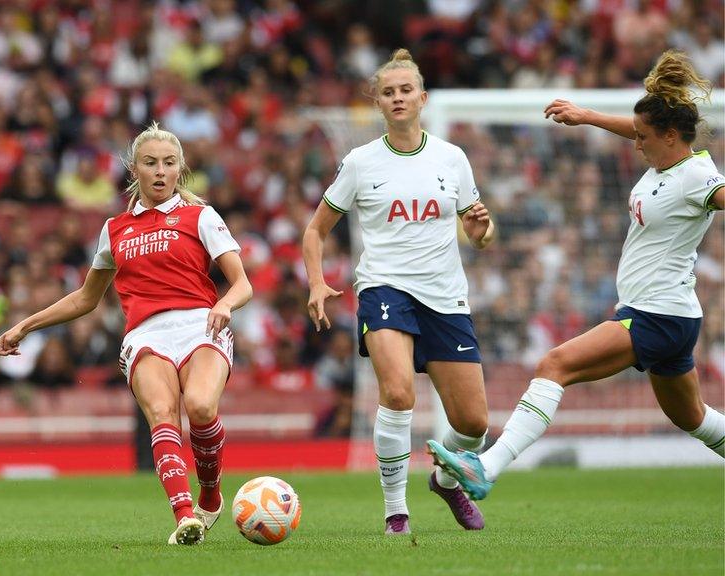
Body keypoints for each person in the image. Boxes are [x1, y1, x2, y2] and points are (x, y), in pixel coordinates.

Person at [428, 50, 725, 502]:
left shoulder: (698, 175)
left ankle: (487, 465)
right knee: (694, 419)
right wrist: (585, 116)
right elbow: (636, 129)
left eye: (644, 137)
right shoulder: (665, 160)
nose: (636, 143)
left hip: (657, 315)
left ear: (669, 135)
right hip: (668, 315)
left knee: (554, 365)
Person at [0, 121, 252, 545]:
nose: (159, 171)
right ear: (134, 170)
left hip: (200, 322)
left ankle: (211, 493)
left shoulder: (200, 216)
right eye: (150, 163)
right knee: (162, 413)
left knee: (202, 407)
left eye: (169, 163)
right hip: (145, 333)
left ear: (179, 170)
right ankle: (185, 515)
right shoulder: (115, 229)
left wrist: (224, 304)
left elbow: (242, 282)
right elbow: (84, 298)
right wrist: (25, 324)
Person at [303, 49, 496, 535]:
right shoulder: (361, 162)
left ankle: (445, 481)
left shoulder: (452, 158)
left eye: (406, 90)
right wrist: (317, 281)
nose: (398, 98)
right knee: (397, 392)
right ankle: (396, 513)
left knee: (473, 422)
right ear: (379, 104)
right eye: (388, 92)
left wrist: (483, 229)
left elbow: (480, 233)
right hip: (384, 286)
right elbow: (315, 230)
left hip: (445, 295)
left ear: (422, 98)